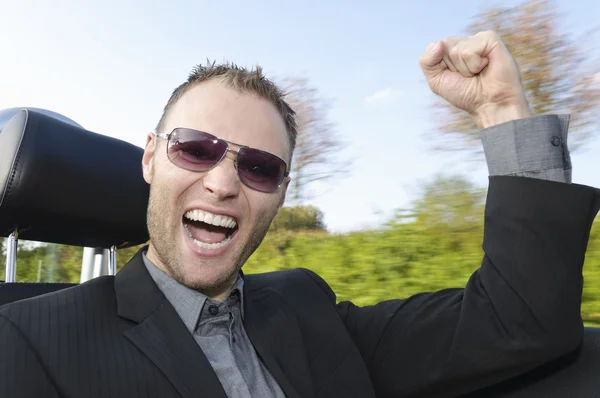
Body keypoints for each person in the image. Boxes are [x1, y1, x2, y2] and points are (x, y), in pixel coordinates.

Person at [1, 31, 599, 398]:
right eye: (196, 148)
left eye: (260, 167)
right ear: (152, 157)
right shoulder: (28, 341)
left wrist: (502, 111)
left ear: (280, 194)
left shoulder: (307, 307)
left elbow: (518, 323)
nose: (223, 181)